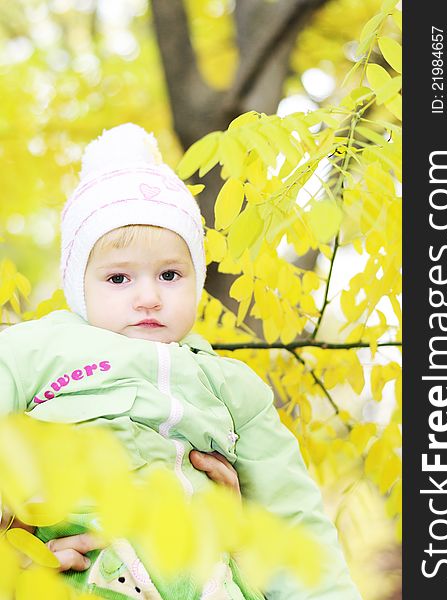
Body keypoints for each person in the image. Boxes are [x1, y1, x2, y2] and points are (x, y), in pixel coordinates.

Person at [0, 123, 361, 600]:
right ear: (78, 284)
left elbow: (291, 517)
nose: (148, 297)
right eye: (118, 279)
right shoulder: (34, 350)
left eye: (170, 273)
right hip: (84, 575)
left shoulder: (232, 387)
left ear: (197, 276)